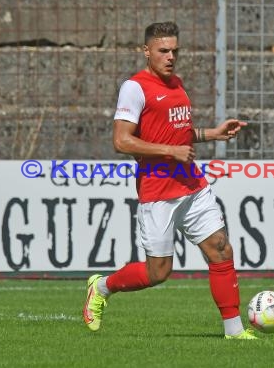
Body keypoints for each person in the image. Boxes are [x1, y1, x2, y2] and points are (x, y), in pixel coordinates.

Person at [82, 21, 254, 340]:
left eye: (175, 50)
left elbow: (178, 134)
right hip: (158, 191)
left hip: (191, 185)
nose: (170, 56)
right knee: (157, 273)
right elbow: (121, 141)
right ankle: (101, 287)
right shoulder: (135, 87)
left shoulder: (177, 84)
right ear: (146, 51)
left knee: (220, 249)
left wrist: (211, 133)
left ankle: (235, 331)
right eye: (163, 51)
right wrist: (169, 151)